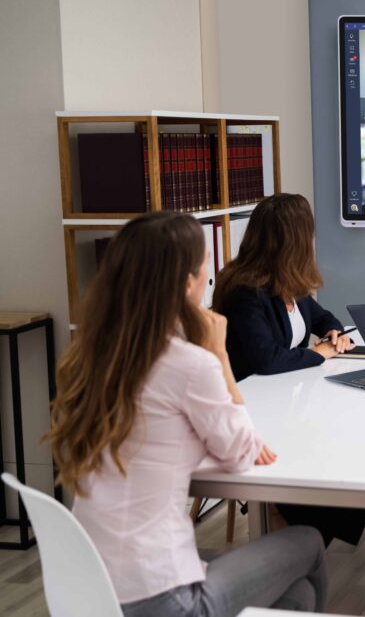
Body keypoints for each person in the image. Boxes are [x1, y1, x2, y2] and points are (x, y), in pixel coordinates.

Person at [46, 212, 327, 616]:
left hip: (88, 588)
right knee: (309, 544)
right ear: (186, 284)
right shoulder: (189, 364)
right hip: (163, 599)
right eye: (203, 269)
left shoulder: (87, 358)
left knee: (297, 597)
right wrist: (218, 355)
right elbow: (241, 454)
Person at [213, 193, 365, 547]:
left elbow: (321, 317)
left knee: (354, 438)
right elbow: (266, 360)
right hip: (255, 407)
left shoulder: (288, 280)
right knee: (333, 444)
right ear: (296, 239)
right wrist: (322, 353)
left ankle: (306, 530)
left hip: (288, 399)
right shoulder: (245, 291)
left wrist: (333, 331)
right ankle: (294, 523)